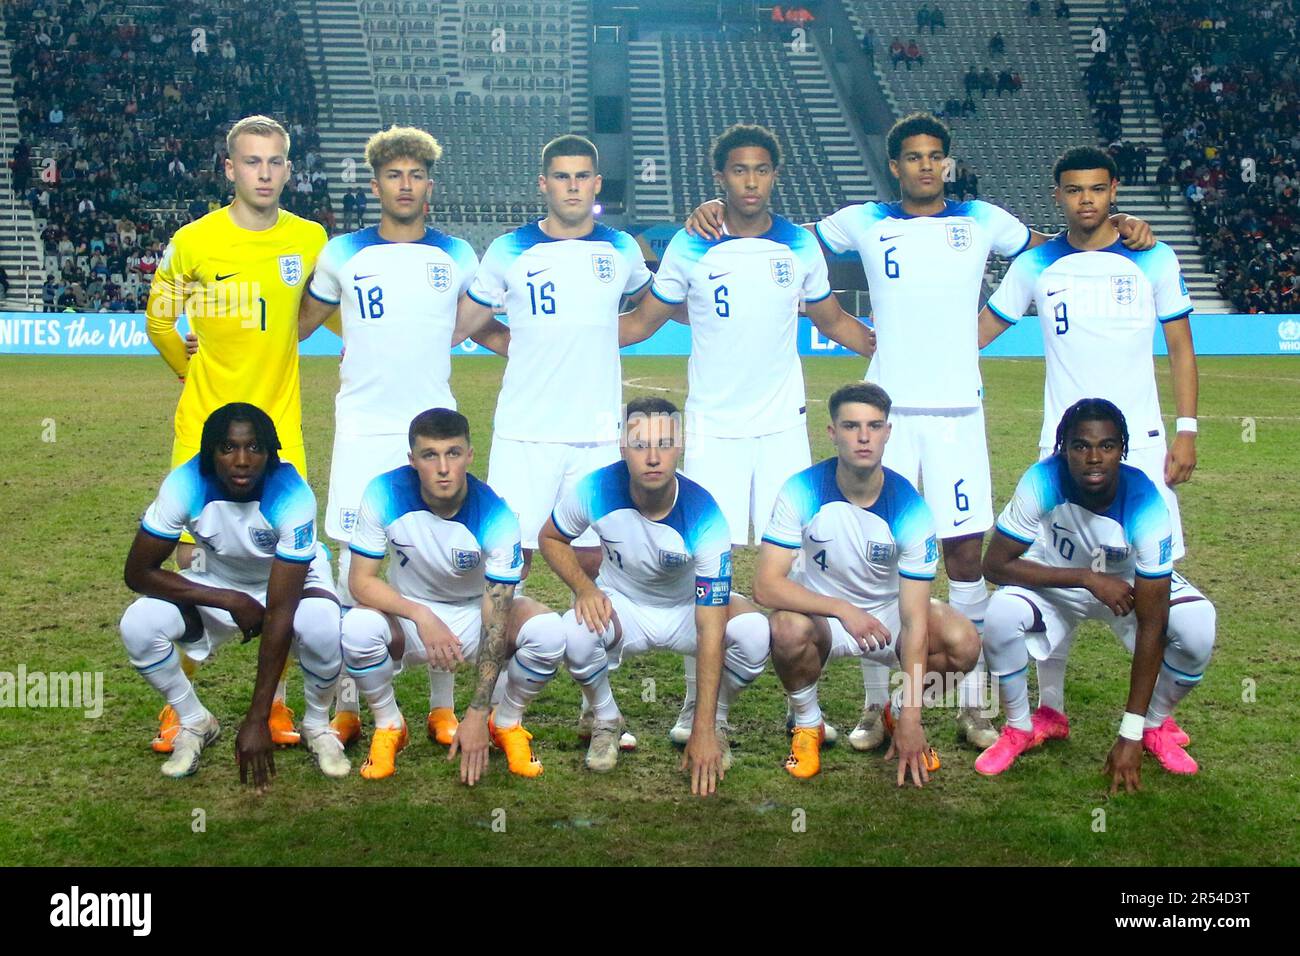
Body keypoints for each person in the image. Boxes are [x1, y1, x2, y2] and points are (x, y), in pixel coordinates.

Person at [686, 113, 1155, 754]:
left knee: (964, 559)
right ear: (896, 166)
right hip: (890, 419)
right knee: (880, 563)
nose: (927, 166)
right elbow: (777, 229)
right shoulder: (861, 220)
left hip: (960, 417)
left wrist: (1120, 228)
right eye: (913, 156)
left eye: (937, 156)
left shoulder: (985, 220)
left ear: (949, 164)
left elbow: (1058, 239)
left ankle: (970, 707)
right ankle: (880, 710)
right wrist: (713, 209)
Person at [298, 126, 505, 749]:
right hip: (363, 427)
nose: (406, 185)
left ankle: (443, 706)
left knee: (440, 554)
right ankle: (350, 698)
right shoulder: (341, 253)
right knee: (351, 562)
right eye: (395, 175)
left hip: (434, 428)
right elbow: (299, 324)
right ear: (377, 185)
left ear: (429, 186)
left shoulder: (458, 255)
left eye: (416, 175)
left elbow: (477, 320)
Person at [980, 145, 1201, 724]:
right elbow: (979, 332)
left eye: (1097, 189)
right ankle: (1049, 711)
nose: (1086, 200)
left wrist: (1187, 430)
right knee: (1059, 575)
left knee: (1151, 577)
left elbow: (1180, 345)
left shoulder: (1153, 257)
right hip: (1066, 452)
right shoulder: (1035, 265)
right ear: (1058, 195)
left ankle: (1152, 721)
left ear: (1114, 191)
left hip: (1145, 448)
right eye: (1074, 190)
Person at [144, 114, 333, 752]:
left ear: (287, 168)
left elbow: (313, 309)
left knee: (282, 575)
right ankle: (182, 706)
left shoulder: (309, 239)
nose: (265, 173)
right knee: (196, 568)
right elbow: (159, 316)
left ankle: (275, 705)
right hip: (202, 437)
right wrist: (185, 368)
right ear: (230, 169)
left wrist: (287, 337)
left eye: (276, 161)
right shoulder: (194, 240)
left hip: (279, 442)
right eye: (252, 162)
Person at [976, 400, 1215, 786]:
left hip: (1127, 589)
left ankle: (1153, 726)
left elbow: (1153, 623)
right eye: (1080, 446)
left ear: (1122, 449)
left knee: (1198, 626)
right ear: (1062, 448)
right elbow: (994, 565)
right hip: (1057, 579)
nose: (1093, 457)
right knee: (1001, 615)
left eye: (1107, 446)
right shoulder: (1041, 480)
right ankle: (1020, 727)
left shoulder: (1147, 506)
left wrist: (1130, 733)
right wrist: (1087, 578)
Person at [754, 383, 980, 783]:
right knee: (785, 627)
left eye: (874, 426)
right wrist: (843, 610)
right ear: (832, 432)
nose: (863, 437)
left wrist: (912, 716)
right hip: (823, 613)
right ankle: (808, 725)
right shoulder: (801, 489)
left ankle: (894, 712)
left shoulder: (910, 507)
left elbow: (913, 620)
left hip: (888, 613)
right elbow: (766, 586)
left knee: (962, 641)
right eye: (851, 426)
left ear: (888, 433)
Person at [455, 134, 652, 592]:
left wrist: (607, 337)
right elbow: (466, 323)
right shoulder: (509, 248)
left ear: (597, 183)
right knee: (509, 559)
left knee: (593, 559)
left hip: (596, 432)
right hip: (525, 430)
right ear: (543, 184)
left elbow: (652, 309)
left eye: (582, 176)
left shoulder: (621, 248)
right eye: (562, 177)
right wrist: (513, 342)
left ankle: (594, 655)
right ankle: (500, 665)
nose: (572, 186)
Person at [539, 398, 768, 790]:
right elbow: (551, 536)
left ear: (680, 446)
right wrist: (585, 588)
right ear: (622, 447)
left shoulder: (705, 516)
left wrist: (703, 731)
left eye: (664, 443)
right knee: (571, 632)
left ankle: (713, 720)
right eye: (640, 445)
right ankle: (606, 719)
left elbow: (711, 628)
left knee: (755, 633)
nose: (653, 457)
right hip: (622, 605)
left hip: (688, 609)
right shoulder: (595, 488)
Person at [118, 404, 347, 785]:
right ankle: (195, 721)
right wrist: (229, 600)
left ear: (271, 452)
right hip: (216, 579)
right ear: (210, 451)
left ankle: (316, 724)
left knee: (321, 625)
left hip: (290, 580)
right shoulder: (185, 484)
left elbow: (279, 611)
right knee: (139, 624)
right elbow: (138, 573)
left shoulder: (292, 494)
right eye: (228, 448)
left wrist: (256, 718)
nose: (242, 460)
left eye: (254, 448)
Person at [341, 408, 567, 781]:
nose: (443, 467)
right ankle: (390, 725)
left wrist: (476, 714)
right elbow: (360, 581)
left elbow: (496, 623)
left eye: (453, 453)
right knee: (356, 627)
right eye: (430, 455)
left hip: (475, 616)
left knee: (549, 632)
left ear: (469, 455)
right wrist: (422, 616)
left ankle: (505, 722)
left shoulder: (497, 516)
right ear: (412, 460)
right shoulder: (382, 492)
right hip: (410, 616)